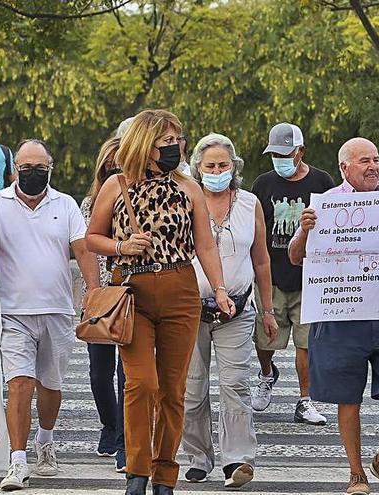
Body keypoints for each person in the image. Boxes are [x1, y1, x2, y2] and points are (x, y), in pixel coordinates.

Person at [86, 109, 234, 495]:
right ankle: (137, 470)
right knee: (141, 383)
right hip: (131, 291)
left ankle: (165, 474)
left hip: (180, 289)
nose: (176, 147)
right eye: (167, 141)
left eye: (178, 140)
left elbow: (205, 243)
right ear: (145, 144)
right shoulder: (116, 184)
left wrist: (218, 289)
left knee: (173, 388)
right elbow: (92, 238)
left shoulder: (188, 187)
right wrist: (121, 245)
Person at [289, 137, 379, 495]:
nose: (373, 166)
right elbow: (297, 256)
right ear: (345, 168)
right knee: (348, 396)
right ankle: (356, 472)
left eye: (376, 159)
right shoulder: (324, 207)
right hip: (343, 316)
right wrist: (306, 230)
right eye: (364, 161)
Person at [0, 140, 100, 491]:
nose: (33, 173)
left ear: (50, 169)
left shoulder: (66, 204)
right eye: (26, 168)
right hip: (13, 312)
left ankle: (46, 440)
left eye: (40, 168)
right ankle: (18, 461)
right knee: (19, 384)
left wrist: (94, 292)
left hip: (57, 310)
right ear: (15, 171)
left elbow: (83, 248)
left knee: (50, 386)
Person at [181, 133, 277, 489]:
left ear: (234, 167)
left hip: (237, 308)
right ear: (198, 168)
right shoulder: (187, 200)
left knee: (235, 384)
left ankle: (237, 459)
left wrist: (267, 310)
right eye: (210, 166)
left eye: (223, 165)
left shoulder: (250, 203)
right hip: (191, 309)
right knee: (192, 388)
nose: (217, 171)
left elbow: (262, 260)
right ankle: (198, 457)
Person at [250, 122, 335, 425]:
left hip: (308, 277)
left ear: (301, 151)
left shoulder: (322, 181)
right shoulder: (263, 184)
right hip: (270, 276)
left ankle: (305, 400)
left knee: (306, 342)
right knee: (265, 339)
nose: (280, 159)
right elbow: (255, 229)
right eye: (275, 154)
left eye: (286, 153)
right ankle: (266, 373)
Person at [81, 137, 126, 473]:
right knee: (99, 373)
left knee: (129, 374)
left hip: (130, 293)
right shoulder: (89, 202)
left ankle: (126, 438)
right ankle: (109, 425)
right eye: (110, 162)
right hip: (98, 295)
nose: (115, 168)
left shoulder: (138, 199)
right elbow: (87, 247)